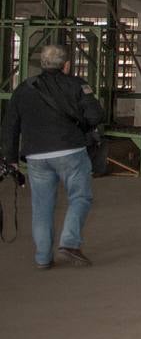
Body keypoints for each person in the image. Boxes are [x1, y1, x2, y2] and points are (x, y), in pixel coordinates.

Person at [1, 44, 104, 269]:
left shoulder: (23, 89)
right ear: (66, 65)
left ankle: (42, 258)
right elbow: (95, 115)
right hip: (71, 152)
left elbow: (10, 125)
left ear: (42, 64)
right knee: (80, 197)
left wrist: (9, 158)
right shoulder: (76, 84)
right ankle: (69, 242)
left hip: (36, 156)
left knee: (42, 206)